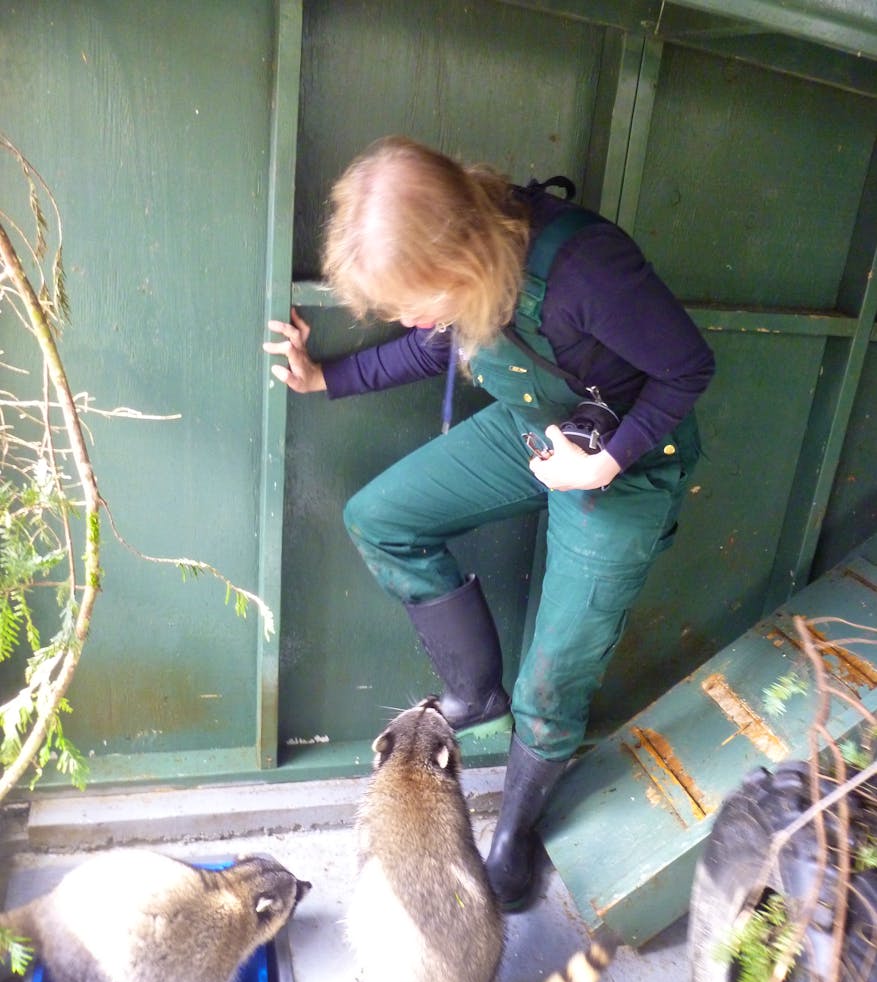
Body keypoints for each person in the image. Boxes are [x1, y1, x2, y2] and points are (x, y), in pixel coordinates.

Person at [264, 136, 715, 912]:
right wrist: (325, 379)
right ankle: (473, 694)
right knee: (380, 516)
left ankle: (512, 836)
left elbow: (687, 369)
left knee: (556, 669)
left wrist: (603, 466)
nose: (406, 318)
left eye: (412, 297)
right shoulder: (462, 280)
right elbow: (430, 346)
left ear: (464, 252)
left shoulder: (584, 270)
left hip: (626, 466)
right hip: (533, 430)